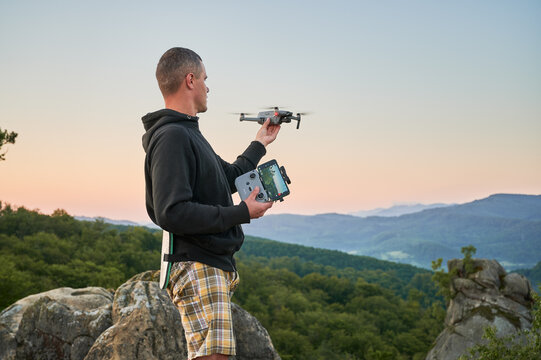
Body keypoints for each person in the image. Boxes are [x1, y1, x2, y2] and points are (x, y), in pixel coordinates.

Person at [142, 47, 280, 360]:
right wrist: (242, 212)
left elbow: (228, 176)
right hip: (197, 262)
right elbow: (172, 211)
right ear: (190, 80)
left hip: (209, 262)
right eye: (205, 80)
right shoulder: (172, 137)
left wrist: (260, 143)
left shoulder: (188, 134)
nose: (207, 87)